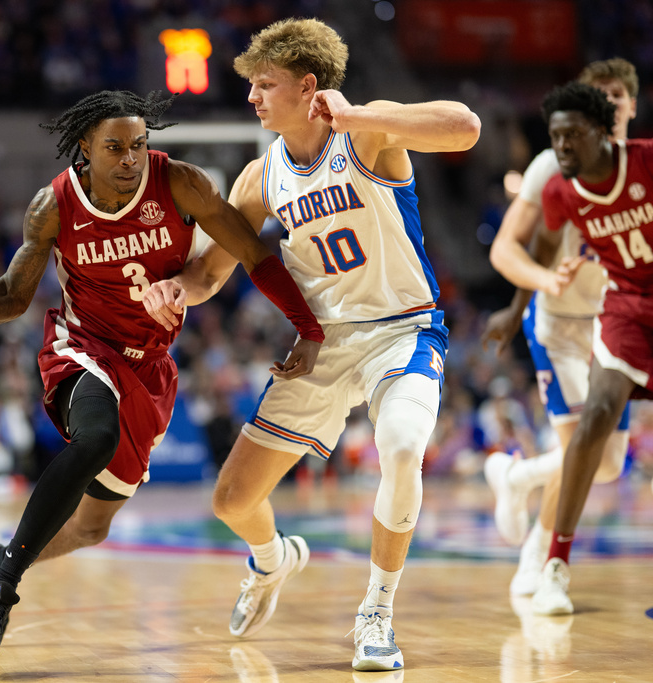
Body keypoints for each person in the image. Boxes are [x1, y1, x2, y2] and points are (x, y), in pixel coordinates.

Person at [0, 90, 325, 650]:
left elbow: (254, 254)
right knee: (96, 437)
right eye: (115, 147)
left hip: (150, 367)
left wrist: (307, 327)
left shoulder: (181, 183)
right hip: (82, 348)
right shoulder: (54, 206)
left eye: (138, 145)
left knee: (93, 528)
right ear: (84, 149)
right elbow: (14, 296)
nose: (129, 158)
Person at [142, 18, 480, 671]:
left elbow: (465, 125)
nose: (252, 97)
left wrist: (355, 116)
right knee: (232, 500)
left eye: (264, 85)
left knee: (404, 448)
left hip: (400, 327)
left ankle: (377, 610)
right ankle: (272, 559)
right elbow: (212, 271)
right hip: (320, 343)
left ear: (307, 86)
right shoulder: (258, 177)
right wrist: (174, 289)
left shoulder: (368, 128)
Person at [478, 59, 653, 595]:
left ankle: (517, 478)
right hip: (566, 321)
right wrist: (538, 285)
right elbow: (507, 248)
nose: (608, 104)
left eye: (616, 96)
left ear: (630, 106)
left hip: (637, 308)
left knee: (607, 463)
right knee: (588, 447)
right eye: (597, 94)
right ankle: (541, 559)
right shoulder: (550, 170)